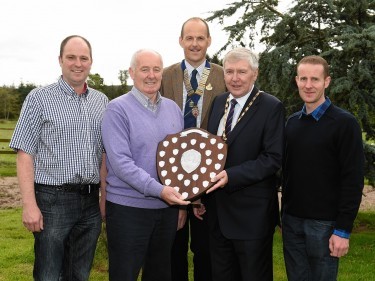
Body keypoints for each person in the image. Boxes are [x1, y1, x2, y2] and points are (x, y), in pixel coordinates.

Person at [9, 35, 109, 280]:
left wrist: (104, 199)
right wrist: (29, 205)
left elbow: (105, 156)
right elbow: (24, 153)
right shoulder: (39, 98)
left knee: (80, 274)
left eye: (83, 58)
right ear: (60, 60)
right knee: (49, 274)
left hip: (90, 202)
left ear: (91, 62)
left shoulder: (102, 102)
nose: (78, 63)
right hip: (52, 201)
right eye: (71, 57)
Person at [196, 47, 284, 281]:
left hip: (252, 217)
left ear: (254, 74)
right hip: (216, 214)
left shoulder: (271, 106)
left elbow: (272, 158)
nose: (235, 78)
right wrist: (200, 195)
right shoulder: (218, 102)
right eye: (229, 72)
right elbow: (210, 152)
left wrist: (231, 176)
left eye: (242, 72)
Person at [102, 49, 190, 281]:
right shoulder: (117, 109)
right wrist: (160, 190)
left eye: (156, 69)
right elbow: (121, 164)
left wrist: (182, 205)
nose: (151, 75)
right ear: (132, 73)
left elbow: (180, 162)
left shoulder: (173, 109)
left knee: (160, 274)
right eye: (144, 69)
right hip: (128, 210)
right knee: (124, 274)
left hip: (166, 211)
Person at [281, 55, 364, 281]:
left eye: (315, 79)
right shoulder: (291, 123)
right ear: (297, 80)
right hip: (291, 222)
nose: (309, 85)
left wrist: (342, 230)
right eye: (304, 79)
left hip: (324, 226)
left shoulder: (345, 123)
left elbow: (353, 179)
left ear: (327, 82)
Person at [160, 17, 226, 281]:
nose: (195, 44)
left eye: (201, 38)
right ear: (181, 41)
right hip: (171, 175)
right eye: (190, 38)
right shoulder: (165, 75)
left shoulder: (223, 75)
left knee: (205, 251)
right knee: (172, 251)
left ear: (208, 41)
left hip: (209, 178)